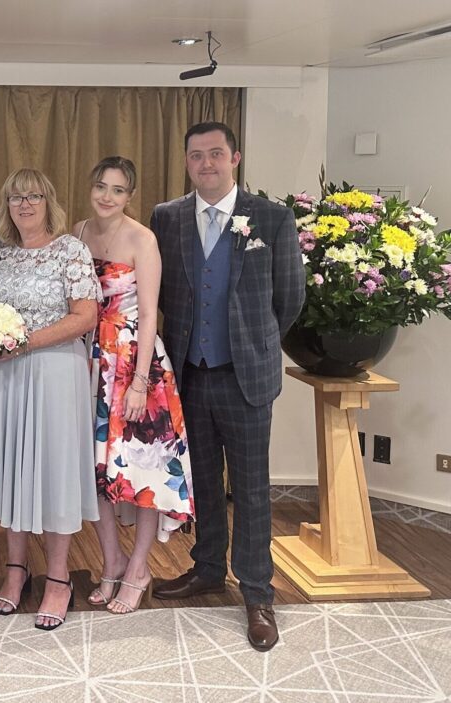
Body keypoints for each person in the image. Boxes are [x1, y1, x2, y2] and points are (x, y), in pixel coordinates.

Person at [150, 122, 305, 651]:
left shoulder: (272, 218)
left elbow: (289, 299)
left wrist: (251, 345)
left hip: (246, 379)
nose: (207, 164)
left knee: (253, 488)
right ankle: (208, 569)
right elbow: (164, 292)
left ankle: (258, 593)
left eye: (216, 154)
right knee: (203, 484)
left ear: (235, 157)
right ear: (187, 162)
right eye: (196, 156)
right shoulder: (166, 218)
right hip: (188, 375)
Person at [0, 168, 100, 632]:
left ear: (49, 201)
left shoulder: (71, 250)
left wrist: (27, 343)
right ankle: (16, 569)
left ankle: (59, 578)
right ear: (7, 205)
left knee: (53, 473)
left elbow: (85, 316)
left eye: (34, 196)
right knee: (13, 470)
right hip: (6, 378)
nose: (25, 204)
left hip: (56, 374)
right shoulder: (0, 254)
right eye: (16, 196)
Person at [74, 156, 196, 615]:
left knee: (142, 472)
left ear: (130, 195)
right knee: (97, 472)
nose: (107, 196)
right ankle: (112, 563)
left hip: (132, 363)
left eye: (118, 190)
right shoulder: (80, 232)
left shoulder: (143, 239)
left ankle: (140, 567)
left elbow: (149, 315)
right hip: (87, 361)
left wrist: (141, 381)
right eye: (101, 186)